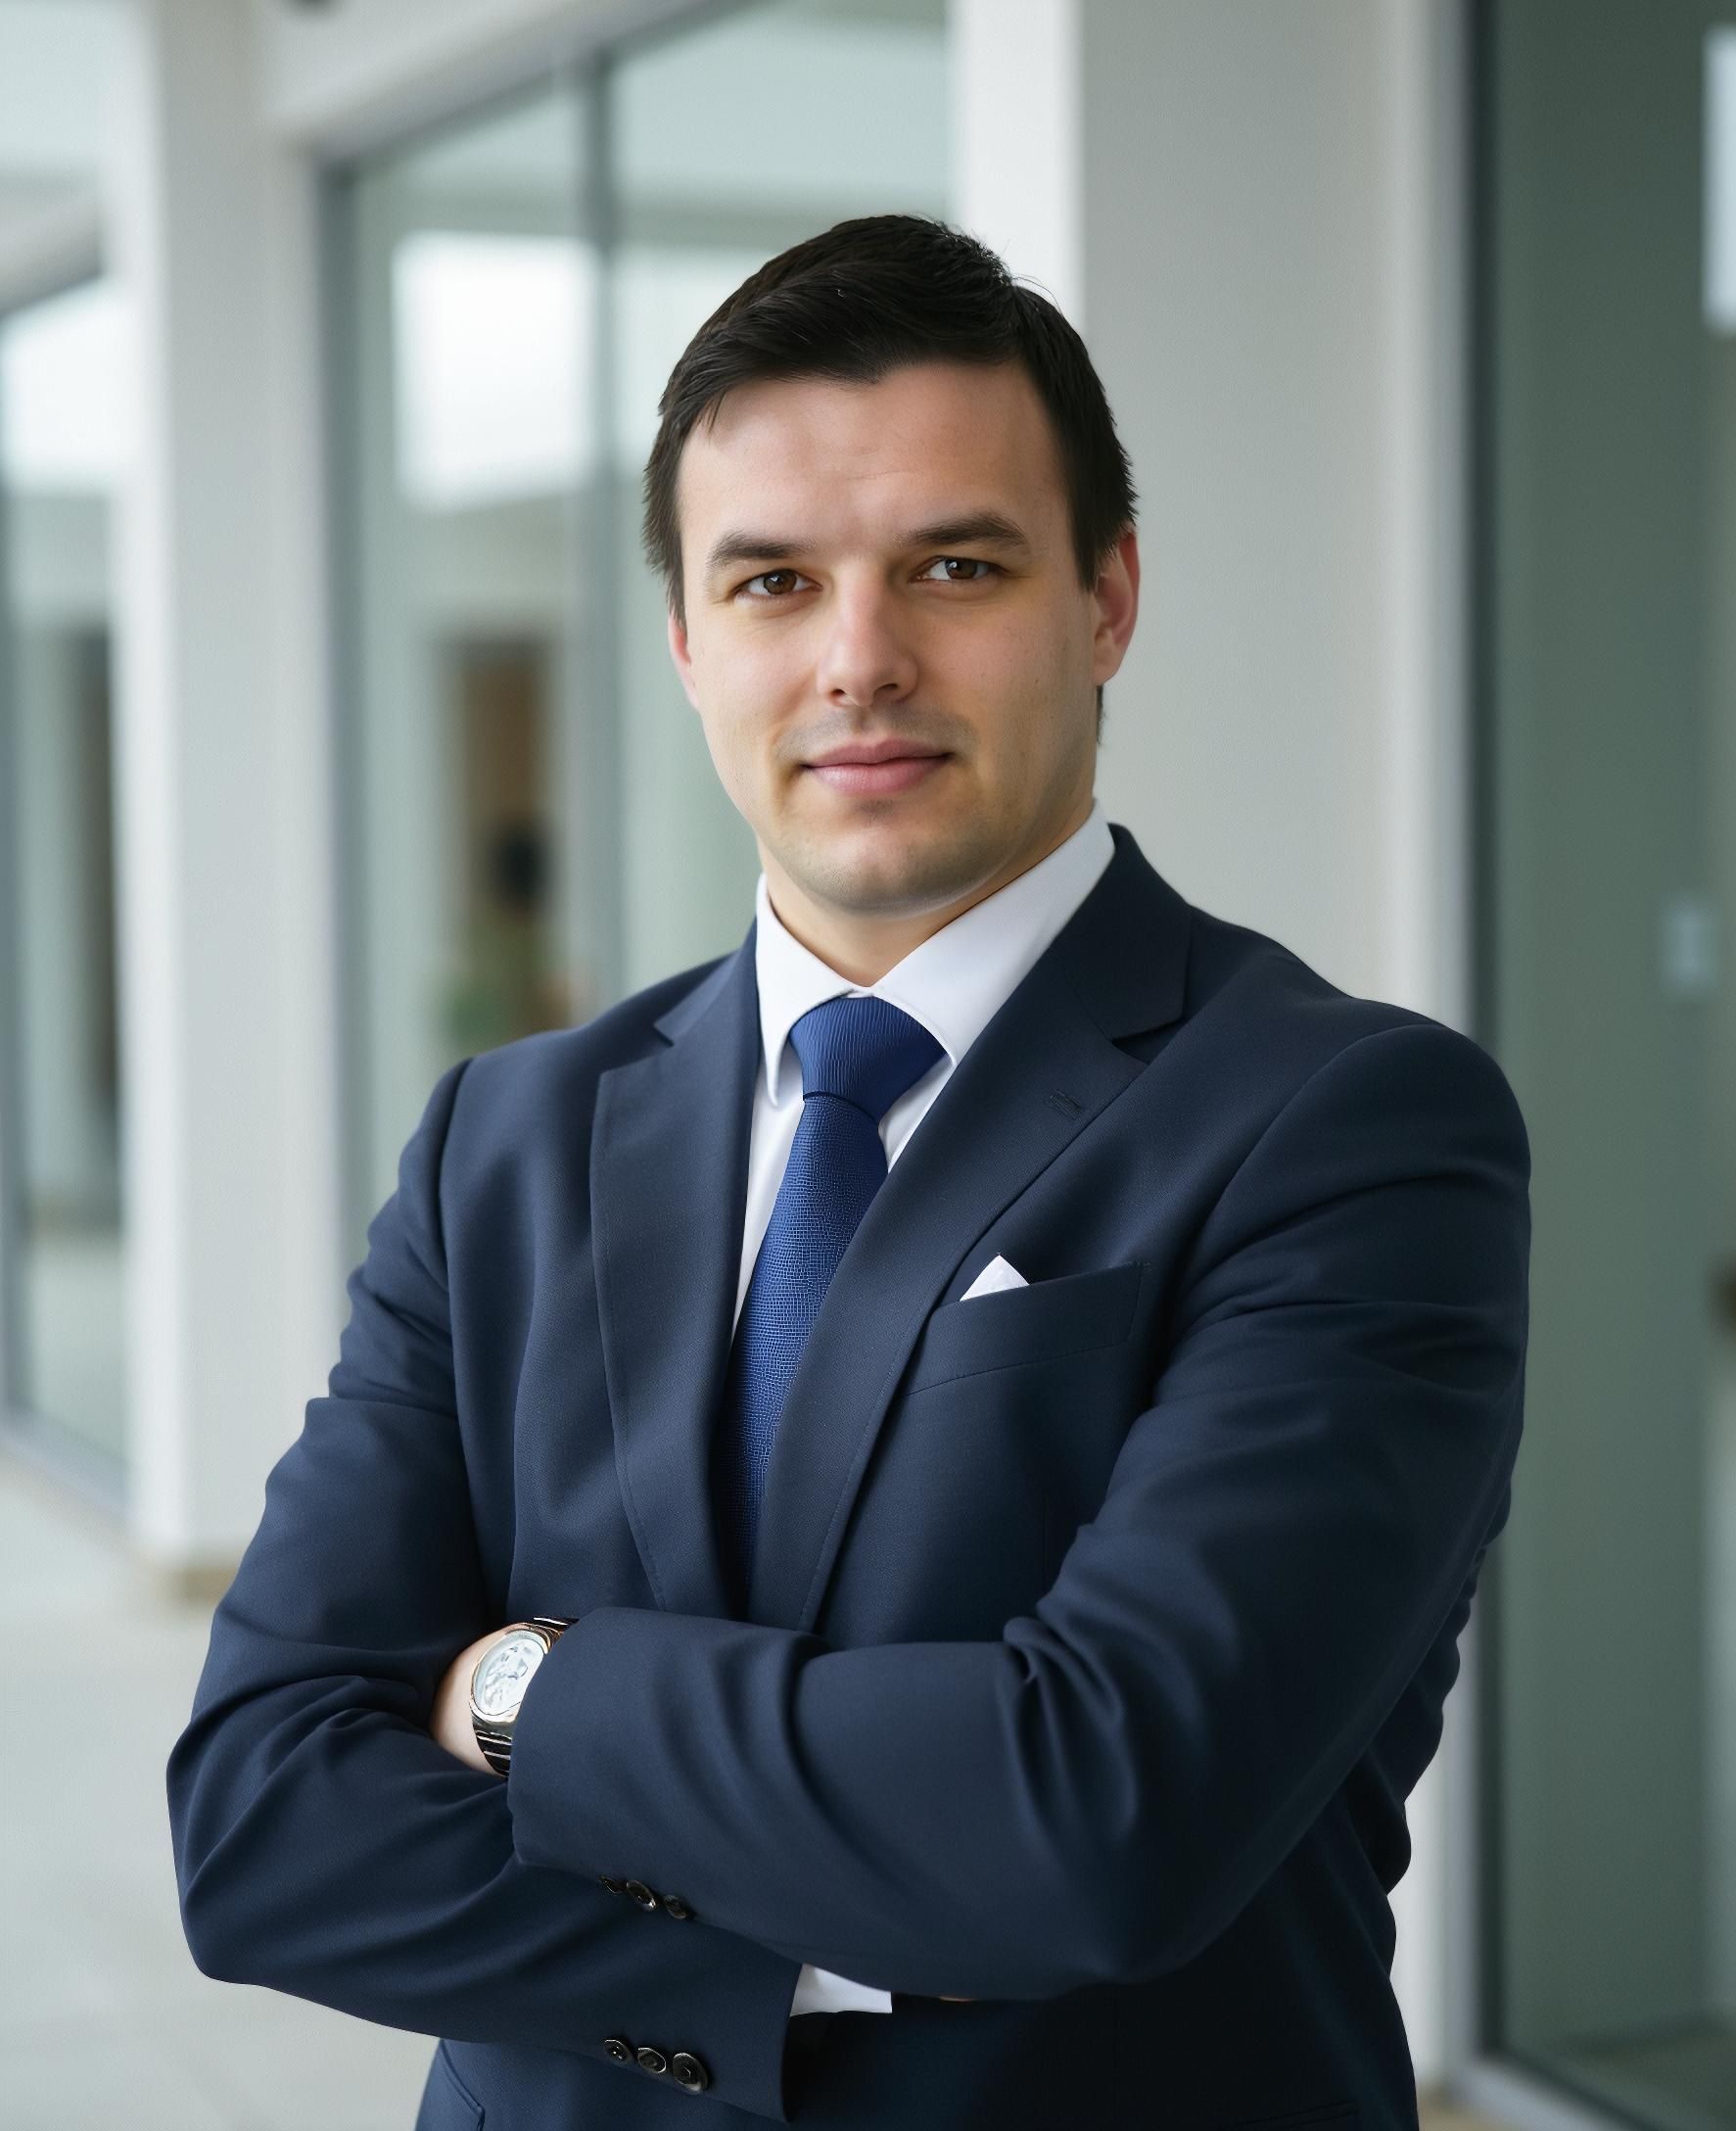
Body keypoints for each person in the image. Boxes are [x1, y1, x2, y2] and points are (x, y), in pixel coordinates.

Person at [166, 213, 1530, 2131]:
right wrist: (786, 1948)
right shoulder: (512, 1133)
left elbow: (1094, 1817)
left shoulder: (1347, 1125)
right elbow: (260, 1823)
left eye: (953, 566)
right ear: (686, 638)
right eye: (773, 580)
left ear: (1106, 596)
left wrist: (523, 1694)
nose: (859, 658)